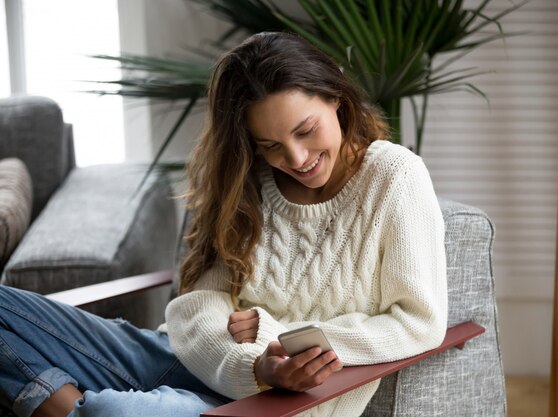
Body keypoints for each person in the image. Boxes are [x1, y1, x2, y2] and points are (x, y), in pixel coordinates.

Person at [0, 31, 447, 417]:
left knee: (111, 411)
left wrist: (283, 343)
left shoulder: (393, 176)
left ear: (334, 97)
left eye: (305, 130)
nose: (295, 159)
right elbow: (197, 302)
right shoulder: (248, 180)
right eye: (270, 144)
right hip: (185, 357)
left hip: (272, 404)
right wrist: (250, 366)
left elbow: (419, 321)